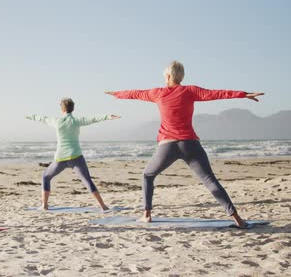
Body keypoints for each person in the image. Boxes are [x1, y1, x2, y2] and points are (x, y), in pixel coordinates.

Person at [105, 61, 264, 227]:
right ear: (181, 76)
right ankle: (238, 220)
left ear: (167, 76)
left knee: (148, 175)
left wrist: (116, 93)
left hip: (168, 145)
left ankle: (147, 215)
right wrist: (243, 94)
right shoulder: (190, 91)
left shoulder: (157, 93)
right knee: (210, 180)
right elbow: (215, 93)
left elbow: (135, 94)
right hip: (191, 144)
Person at [26, 98, 121, 211]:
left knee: (46, 177)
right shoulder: (76, 121)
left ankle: (44, 205)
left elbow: (42, 118)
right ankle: (103, 206)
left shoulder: (56, 121)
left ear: (62, 109)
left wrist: (30, 116)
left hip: (60, 158)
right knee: (87, 181)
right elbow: (92, 119)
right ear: (73, 109)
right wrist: (108, 116)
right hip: (76, 156)